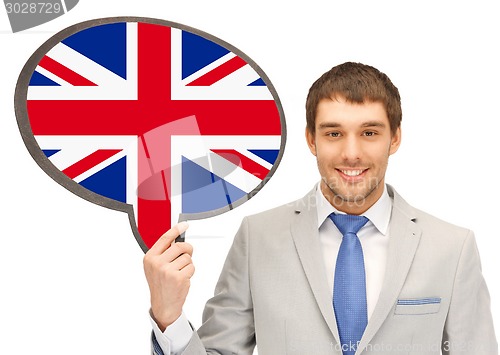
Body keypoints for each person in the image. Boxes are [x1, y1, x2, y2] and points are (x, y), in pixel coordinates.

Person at [143, 62, 498, 354]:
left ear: (396, 138)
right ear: (311, 139)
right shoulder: (258, 238)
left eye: (370, 133)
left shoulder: (452, 247)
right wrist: (169, 317)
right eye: (333, 133)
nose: (351, 153)